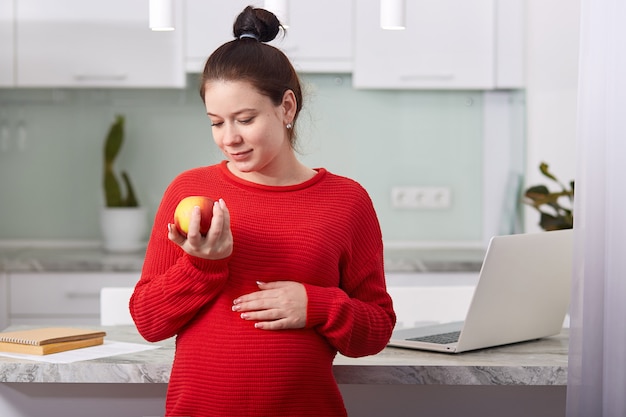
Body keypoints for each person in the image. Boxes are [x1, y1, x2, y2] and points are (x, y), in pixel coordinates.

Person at [130, 6, 396, 417]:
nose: (229, 138)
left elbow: (376, 329)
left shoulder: (346, 201)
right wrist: (202, 268)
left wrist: (318, 306)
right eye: (216, 123)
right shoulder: (190, 190)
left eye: (245, 119)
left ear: (286, 108)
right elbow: (149, 322)